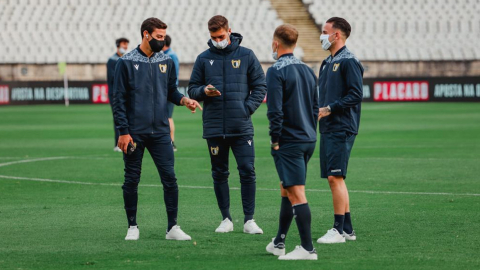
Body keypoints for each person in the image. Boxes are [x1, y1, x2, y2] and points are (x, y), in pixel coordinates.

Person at [113, 17, 202, 241]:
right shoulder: (126, 62)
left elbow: (171, 91)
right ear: (146, 34)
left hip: (161, 132)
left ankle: (172, 227)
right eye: (158, 37)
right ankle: (132, 226)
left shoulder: (166, 61)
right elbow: (118, 100)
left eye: (164, 37)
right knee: (132, 179)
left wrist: (184, 101)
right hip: (134, 133)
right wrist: (123, 132)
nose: (162, 41)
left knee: (170, 178)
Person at [188, 15, 267, 234]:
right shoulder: (203, 58)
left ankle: (249, 220)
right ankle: (226, 219)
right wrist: (203, 91)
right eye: (213, 37)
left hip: (241, 127)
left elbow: (260, 85)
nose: (218, 40)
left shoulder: (246, 55)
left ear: (229, 31)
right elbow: (192, 88)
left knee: (247, 170)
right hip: (214, 127)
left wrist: (247, 108)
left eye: (221, 36)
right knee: (219, 173)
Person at [265, 24, 318, 260]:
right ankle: (279, 242)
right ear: (295, 44)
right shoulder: (308, 70)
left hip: (290, 140)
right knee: (286, 188)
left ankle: (308, 248)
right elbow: (315, 107)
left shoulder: (275, 70)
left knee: (296, 193)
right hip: (308, 138)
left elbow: (275, 110)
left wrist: (275, 139)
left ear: (276, 44)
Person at [316, 17, 364, 244]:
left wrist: (330, 108)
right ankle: (347, 229)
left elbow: (355, 95)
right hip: (327, 126)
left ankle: (337, 229)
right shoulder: (326, 62)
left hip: (341, 125)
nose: (322, 35)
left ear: (337, 35)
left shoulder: (349, 61)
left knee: (336, 177)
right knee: (334, 178)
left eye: (325, 32)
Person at [107, 37, 129, 152]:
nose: (125, 46)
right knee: (118, 117)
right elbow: (113, 77)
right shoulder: (112, 60)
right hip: (115, 94)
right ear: (118, 45)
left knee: (126, 117)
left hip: (125, 93)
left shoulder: (125, 59)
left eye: (126, 44)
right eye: (123, 44)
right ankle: (117, 143)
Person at [162, 35, 180, 151]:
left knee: (168, 116)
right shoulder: (171, 55)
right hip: (167, 89)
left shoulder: (170, 56)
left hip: (167, 90)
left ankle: (171, 142)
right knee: (166, 116)